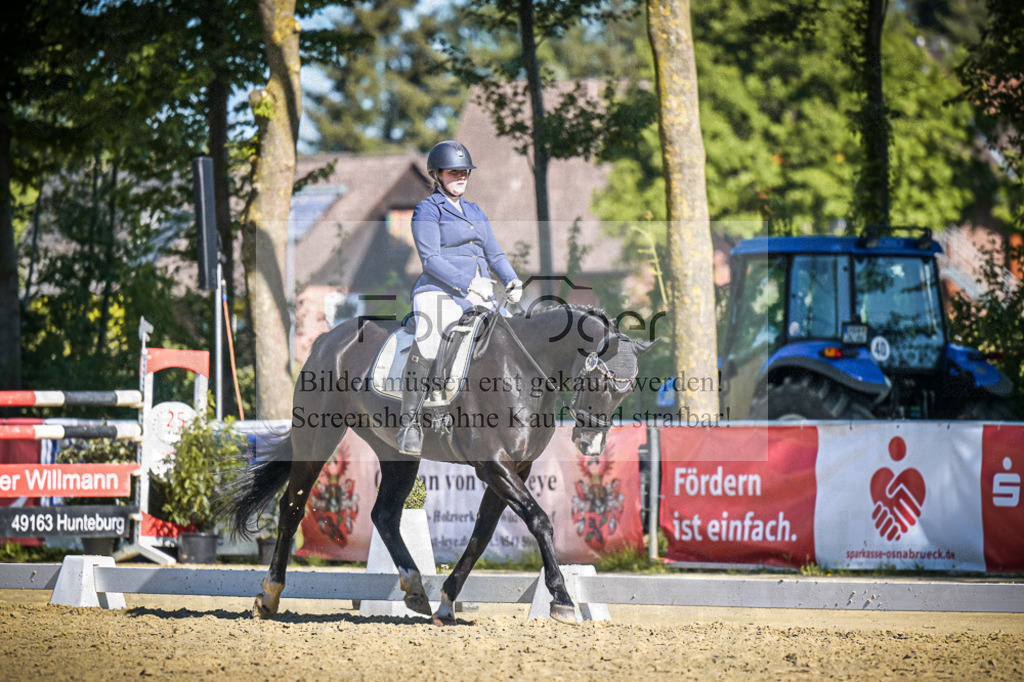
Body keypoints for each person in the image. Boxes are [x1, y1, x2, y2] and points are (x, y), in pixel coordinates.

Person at [397, 140, 523, 456]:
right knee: (430, 340)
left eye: (464, 172)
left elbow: (494, 252)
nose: (461, 176)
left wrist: (511, 279)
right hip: (438, 290)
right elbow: (430, 259)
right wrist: (468, 283)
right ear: (437, 174)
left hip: (478, 293)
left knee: (512, 341)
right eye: (454, 172)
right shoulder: (427, 210)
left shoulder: (475, 211)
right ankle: (410, 422)